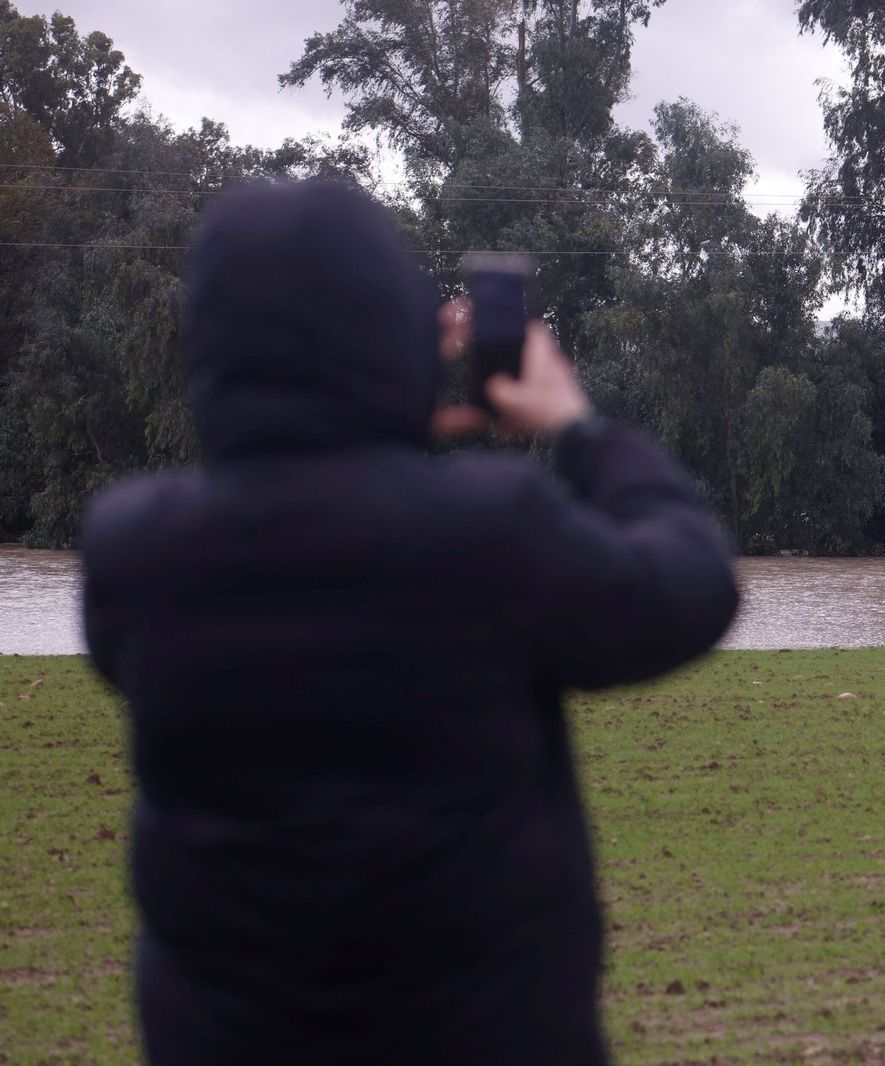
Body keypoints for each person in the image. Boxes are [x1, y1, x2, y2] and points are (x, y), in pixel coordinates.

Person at [80, 180, 740, 1065]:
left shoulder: (131, 555)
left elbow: (312, 525)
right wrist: (579, 428)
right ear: (395, 328)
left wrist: (372, 422)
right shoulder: (492, 532)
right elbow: (689, 584)